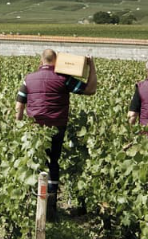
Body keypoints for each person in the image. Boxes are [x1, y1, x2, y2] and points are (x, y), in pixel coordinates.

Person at [15, 49, 97, 219]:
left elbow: (19, 103)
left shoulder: (29, 78)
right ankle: (50, 206)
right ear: (57, 61)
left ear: (41, 59)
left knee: (34, 162)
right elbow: (90, 90)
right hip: (57, 126)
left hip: (35, 127)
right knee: (53, 162)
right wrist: (91, 66)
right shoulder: (63, 78)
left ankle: (34, 202)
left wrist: (20, 120)